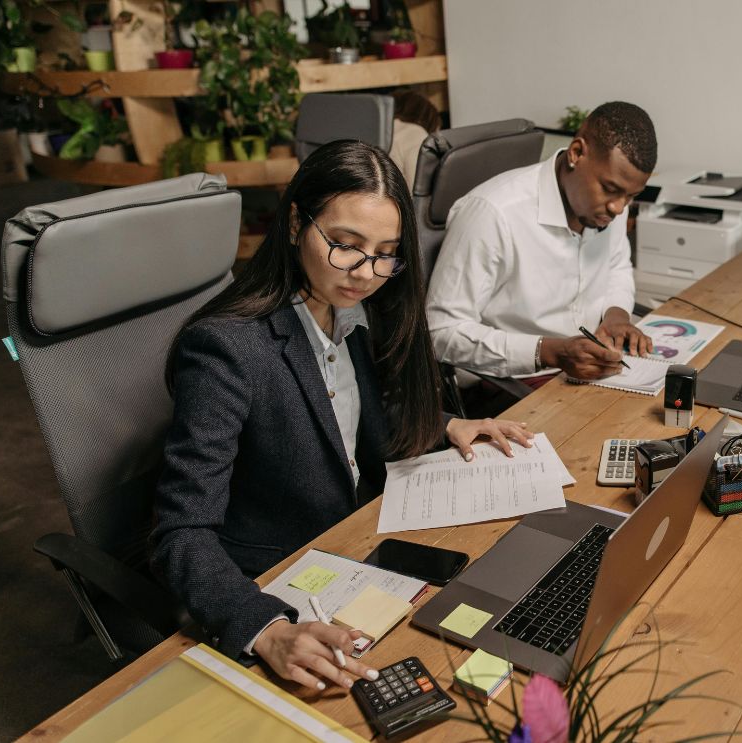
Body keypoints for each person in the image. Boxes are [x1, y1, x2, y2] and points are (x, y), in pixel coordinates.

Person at [151, 140, 532, 693]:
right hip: (275, 580)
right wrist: (265, 627)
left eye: (385, 253)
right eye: (346, 245)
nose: (366, 272)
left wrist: (445, 424)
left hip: (358, 549)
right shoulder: (226, 349)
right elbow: (180, 532)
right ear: (292, 224)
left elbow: (357, 416)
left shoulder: (355, 310)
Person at [425, 101, 658, 403]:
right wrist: (548, 352)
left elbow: (616, 267)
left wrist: (616, 316)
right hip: (513, 381)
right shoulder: (493, 213)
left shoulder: (608, 206)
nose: (618, 207)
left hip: (590, 367)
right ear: (576, 153)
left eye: (631, 196)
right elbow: (440, 333)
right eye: (610, 189)